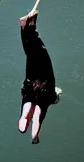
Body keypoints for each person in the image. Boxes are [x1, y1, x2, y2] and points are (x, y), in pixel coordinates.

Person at [18, 11, 61, 144]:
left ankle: (29, 26)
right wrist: (33, 136)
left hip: (43, 82)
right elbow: (34, 118)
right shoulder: (37, 101)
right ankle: (27, 25)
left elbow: (37, 119)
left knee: (39, 51)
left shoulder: (47, 100)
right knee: (31, 54)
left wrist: (36, 136)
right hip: (30, 84)